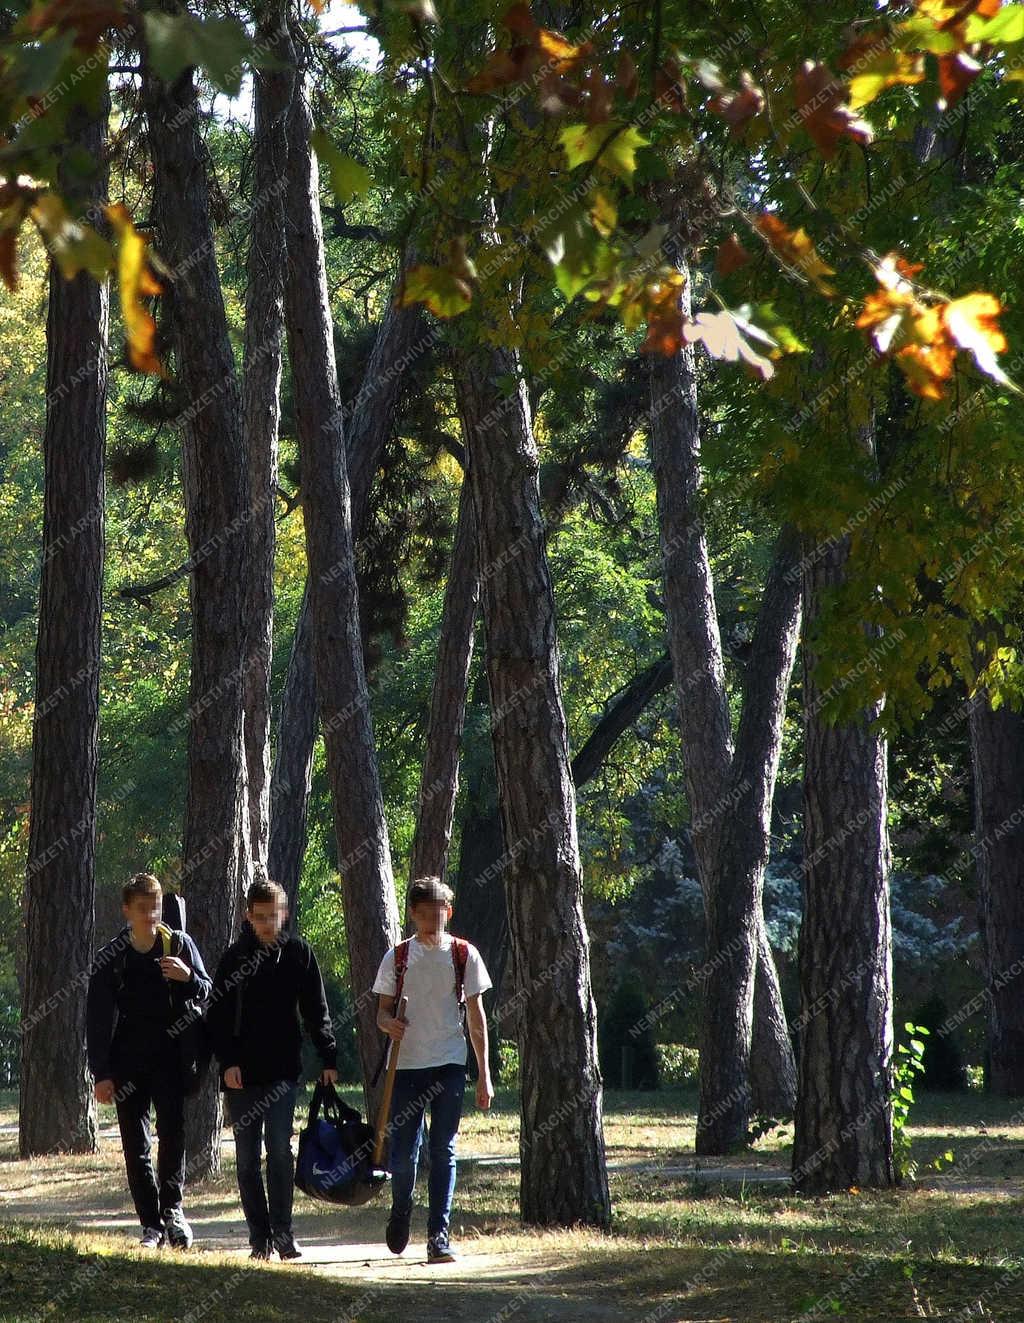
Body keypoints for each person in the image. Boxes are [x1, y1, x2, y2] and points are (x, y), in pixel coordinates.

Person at [207, 878, 338, 1261]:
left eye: (273, 916)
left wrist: (328, 1057)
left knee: (279, 1149)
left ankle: (284, 1232)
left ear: (285, 914)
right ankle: (258, 1237)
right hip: (242, 1074)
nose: (267, 923)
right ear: (248, 916)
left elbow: (317, 1010)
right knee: (247, 1158)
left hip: (283, 1070)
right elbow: (217, 1015)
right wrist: (227, 1062)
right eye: (259, 917)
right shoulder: (234, 959)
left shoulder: (298, 954)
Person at [86, 871, 212, 1250]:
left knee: (172, 1136)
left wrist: (187, 976)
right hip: (128, 1063)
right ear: (127, 910)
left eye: (155, 907)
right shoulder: (113, 956)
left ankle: (174, 1213)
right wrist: (102, 1073)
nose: (150, 915)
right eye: (142, 908)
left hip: (172, 1060)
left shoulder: (179, 945)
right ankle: (151, 1226)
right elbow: (97, 1017)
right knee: (136, 1146)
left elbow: (207, 990)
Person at [373, 875, 494, 1264]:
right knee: (405, 1156)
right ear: (412, 915)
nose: (431, 921)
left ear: (449, 912)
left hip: (449, 1064)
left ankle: (438, 1237)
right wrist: (388, 1024)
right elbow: (381, 1012)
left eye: (437, 913)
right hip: (406, 1066)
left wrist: (484, 1074)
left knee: (443, 1149)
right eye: (423, 914)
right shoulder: (398, 957)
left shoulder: (463, 954)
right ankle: (401, 1210)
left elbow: (476, 1016)